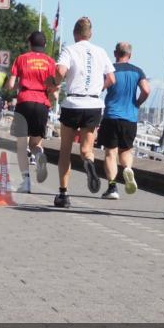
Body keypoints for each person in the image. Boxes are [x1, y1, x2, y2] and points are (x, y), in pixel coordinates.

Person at [52, 17, 115, 207]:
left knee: (65, 149)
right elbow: (111, 78)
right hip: (94, 104)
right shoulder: (101, 51)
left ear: (75, 34)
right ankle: (88, 161)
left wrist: (55, 82)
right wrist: (98, 88)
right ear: (91, 34)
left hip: (73, 103)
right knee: (87, 148)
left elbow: (61, 71)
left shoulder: (69, 50)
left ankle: (63, 194)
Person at [7, 31, 58, 193]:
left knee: (22, 145)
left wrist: (18, 85)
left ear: (30, 43)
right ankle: (39, 155)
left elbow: (10, 85)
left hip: (25, 101)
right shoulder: (50, 62)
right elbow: (54, 88)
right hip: (42, 103)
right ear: (44, 45)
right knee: (35, 143)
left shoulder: (21, 59)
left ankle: (26, 182)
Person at [98, 41, 150, 200]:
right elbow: (146, 90)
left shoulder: (110, 70)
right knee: (126, 150)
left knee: (110, 153)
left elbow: (100, 87)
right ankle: (127, 168)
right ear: (130, 55)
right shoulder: (138, 71)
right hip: (130, 118)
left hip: (111, 116)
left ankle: (112, 187)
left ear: (115, 53)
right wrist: (137, 103)